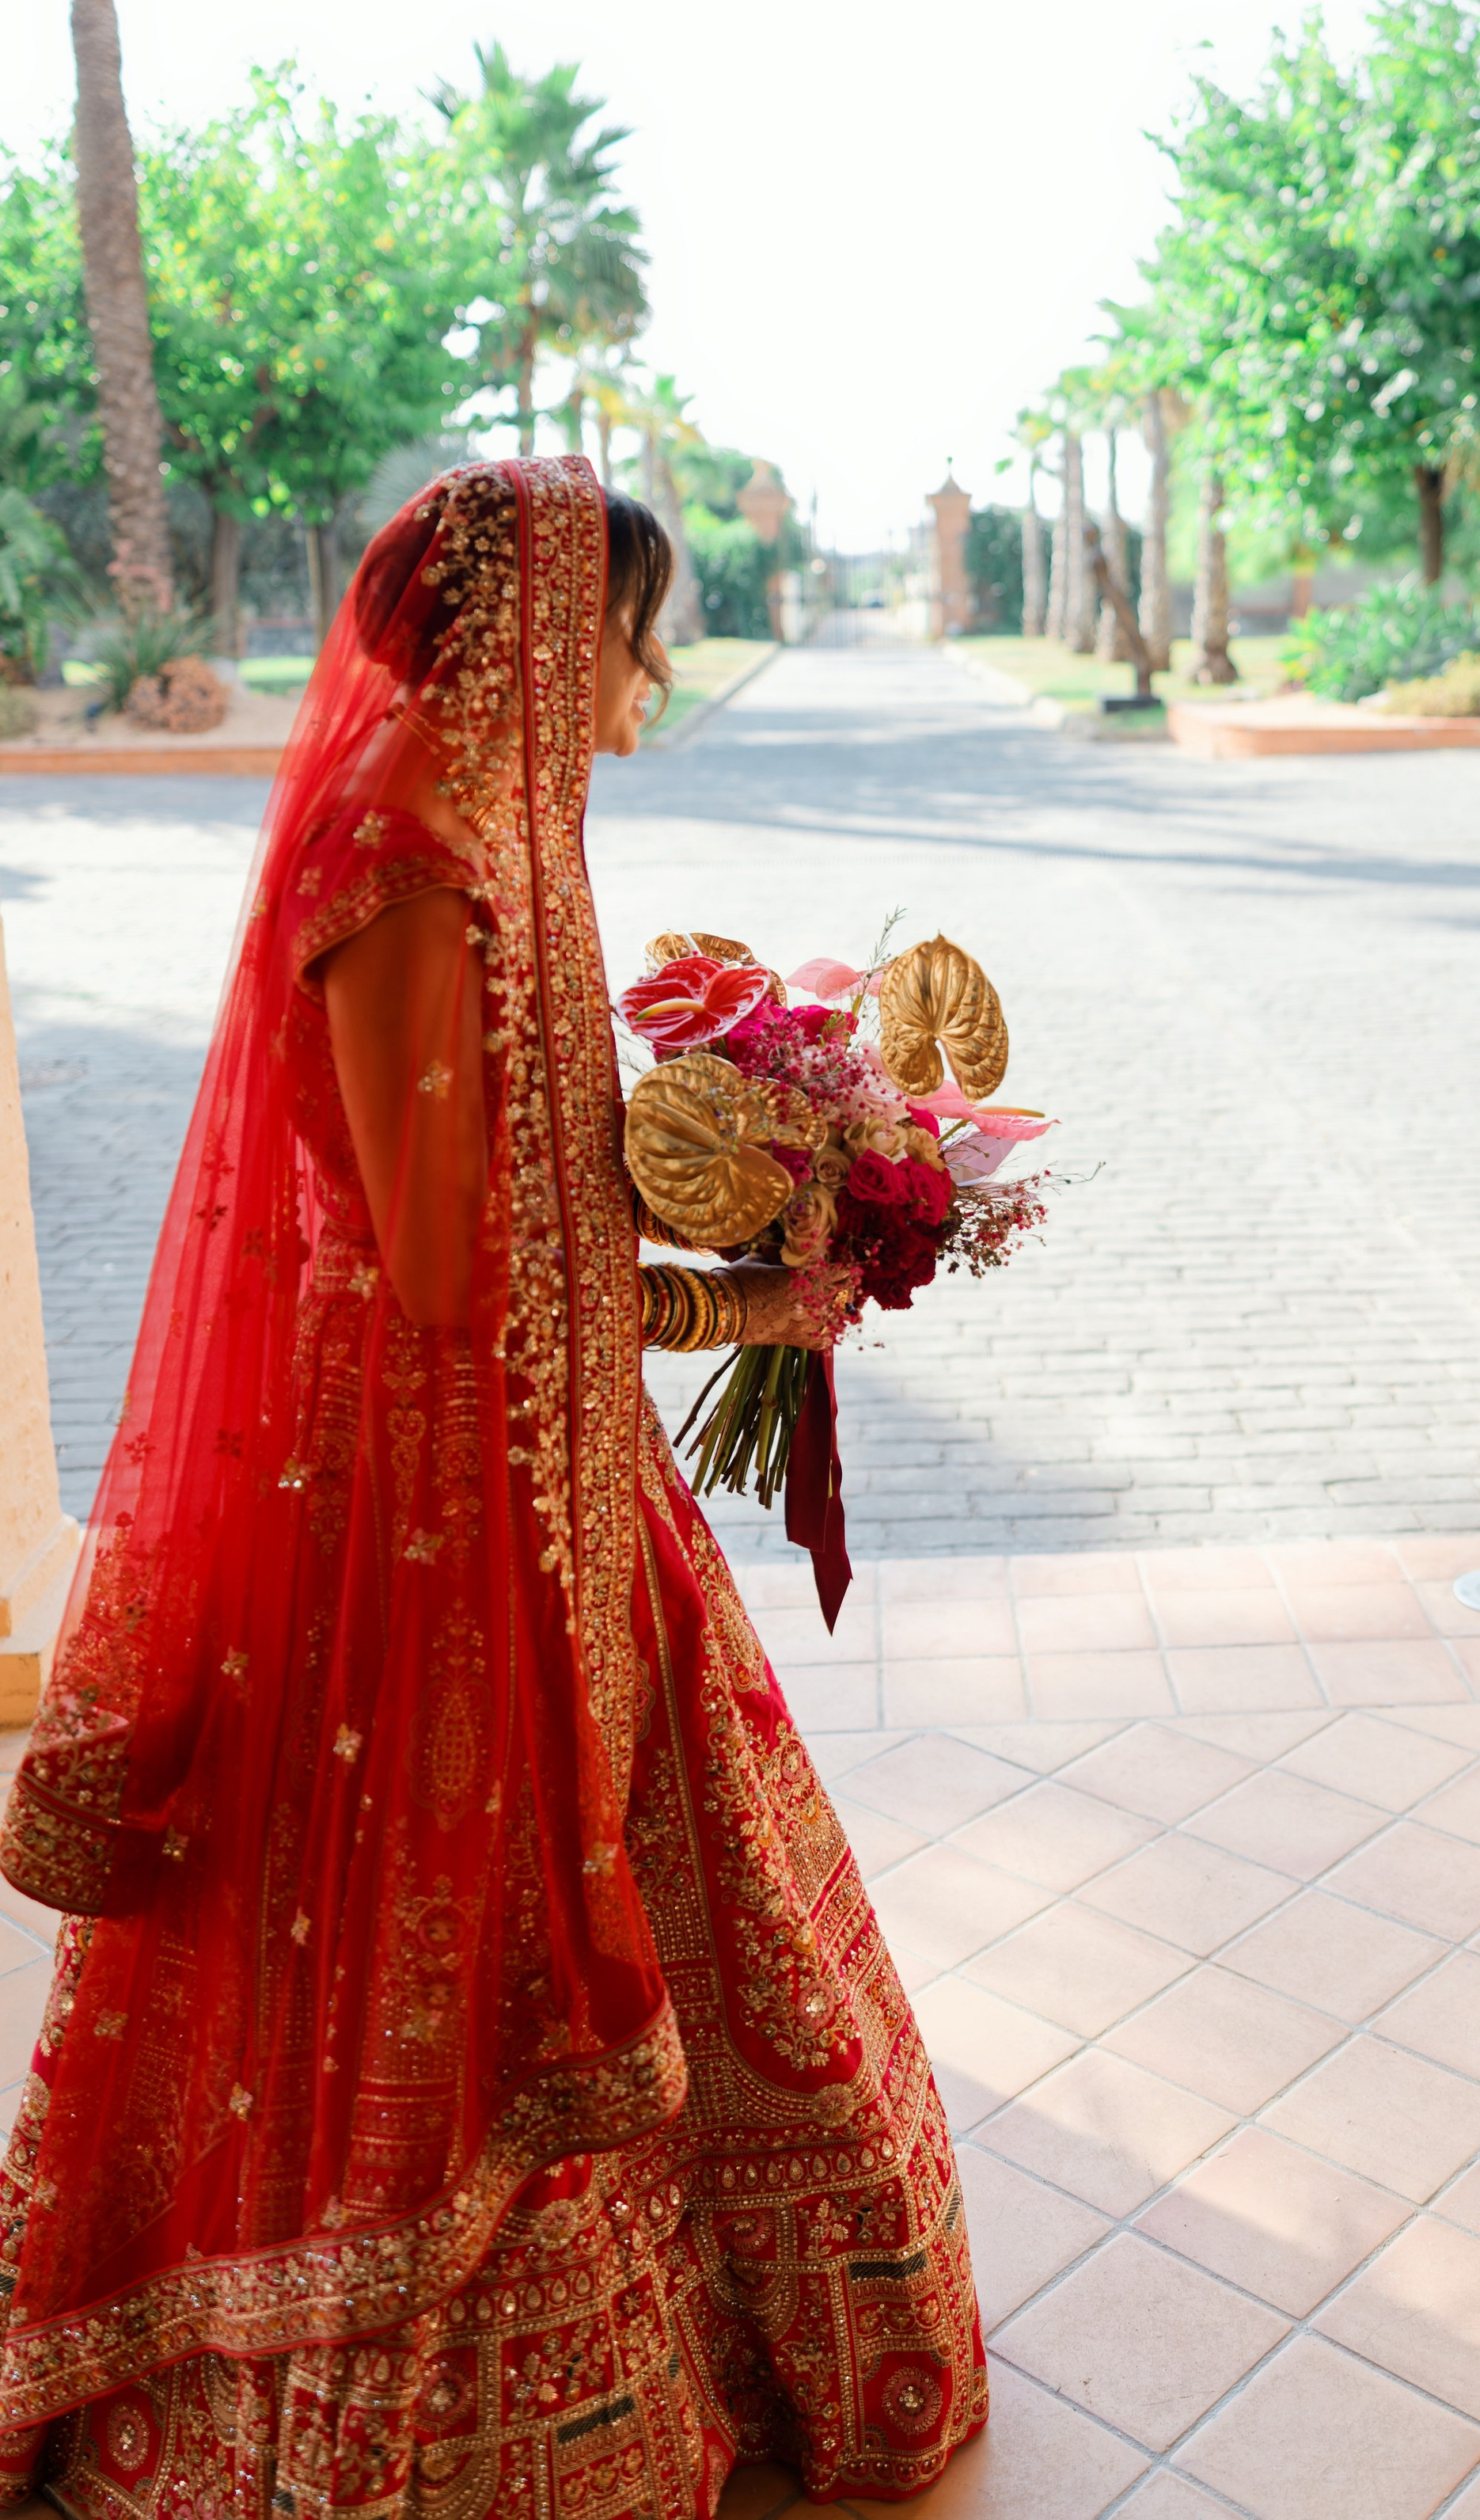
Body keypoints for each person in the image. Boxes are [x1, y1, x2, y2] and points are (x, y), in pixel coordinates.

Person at [0, 459, 986, 2514]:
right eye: (635, 627)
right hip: (419, 1522)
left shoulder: (522, 826)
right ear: (542, 635)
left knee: (662, 1864)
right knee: (433, 1944)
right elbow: (458, 1271)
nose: (650, 669)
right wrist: (735, 1295)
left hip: (552, 1471)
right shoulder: (401, 856)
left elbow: (538, 1222)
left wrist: (754, 1232)